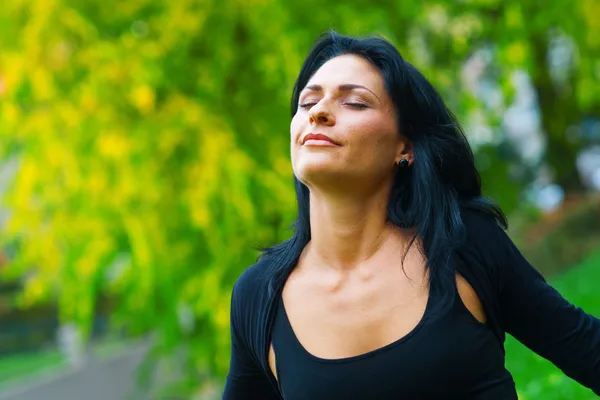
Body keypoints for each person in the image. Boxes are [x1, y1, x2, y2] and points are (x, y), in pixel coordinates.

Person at [222, 31, 600, 399]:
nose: (319, 112)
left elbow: (587, 350)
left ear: (404, 147)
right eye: (307, 103)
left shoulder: (461, 243)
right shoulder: (259, 296)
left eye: (354, 102)